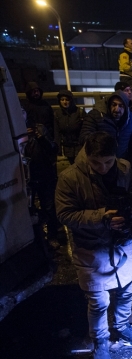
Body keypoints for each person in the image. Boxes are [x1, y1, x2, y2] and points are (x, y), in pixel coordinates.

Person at [56, 131, 132, 359]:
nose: (103, 167)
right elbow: (64, 214)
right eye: (96, 163)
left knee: (127, 290)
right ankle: (100, 341)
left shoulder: (124, 168)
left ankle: (122, 325)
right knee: (98, 301)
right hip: (91, 247)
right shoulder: (70, 178)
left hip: (121, 242)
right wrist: (100, 217)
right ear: (86, 154)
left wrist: (130, 217)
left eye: (108, 162)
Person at [23, 105, 60, 250]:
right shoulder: (16, 133)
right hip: (28, 178)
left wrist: (42, 138)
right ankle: (35, 238)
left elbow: (53, 148)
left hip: (45, 176)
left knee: (49, 207)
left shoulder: (40, 129)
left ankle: (52, 235)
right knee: (29, 209)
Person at [79, 91, 132, 173]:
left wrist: (130, 163)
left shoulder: (131, 119)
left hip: (121, 163)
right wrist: (102, 144)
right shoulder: (95, 115)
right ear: (108, 105)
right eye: (114, 105)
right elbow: (85, 136)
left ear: (126, 107)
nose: (117, 109)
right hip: (100, 164)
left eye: (121, 106)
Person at [53, 89, 84, 164]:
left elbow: (84, 130)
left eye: (67, 99)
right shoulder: (57, 114)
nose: (64, 102)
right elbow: (57, 133)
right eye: (62, 100)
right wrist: (58, 150)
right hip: (67, 147)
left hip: (79, 146)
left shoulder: (79, 112)